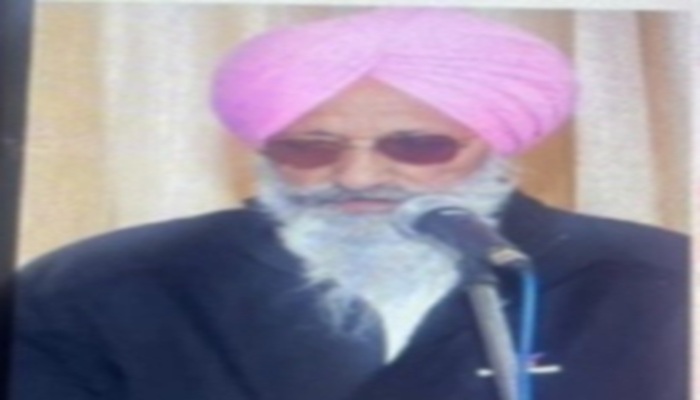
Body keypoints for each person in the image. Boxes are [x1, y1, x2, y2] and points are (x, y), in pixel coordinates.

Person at [11, 8, 688, 400]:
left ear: (498, 146)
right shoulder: (103, 286)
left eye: (417, 146)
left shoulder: (656, 280)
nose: (358, 174)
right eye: (309, 148)